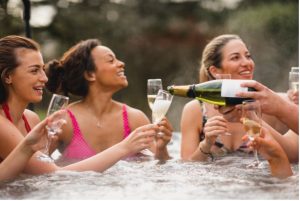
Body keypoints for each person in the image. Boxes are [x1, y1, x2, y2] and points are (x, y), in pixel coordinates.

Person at [0, 35, 158, 176]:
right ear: (8, 76)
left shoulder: (31, 118)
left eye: (42, 69)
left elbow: (41, 172)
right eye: (34, 71)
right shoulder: (1, 124)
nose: (44, 78)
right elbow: (53, 175)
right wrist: (124, 147)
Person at [45, 39, 173, 162]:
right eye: (111, 60)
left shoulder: (135, 119)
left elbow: (158, 168)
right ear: (90, 74)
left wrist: (162, 149)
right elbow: (39, 164)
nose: (121, 63)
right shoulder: (64, 121)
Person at [180, 34, 286, 161]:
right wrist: (206, 144)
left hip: (261, 181)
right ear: (215, 71)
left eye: (248, 56)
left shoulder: (268, 106)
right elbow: (186, 167)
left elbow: (294, 157)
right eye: (235, 58)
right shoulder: (195, 110)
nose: (247, 63)